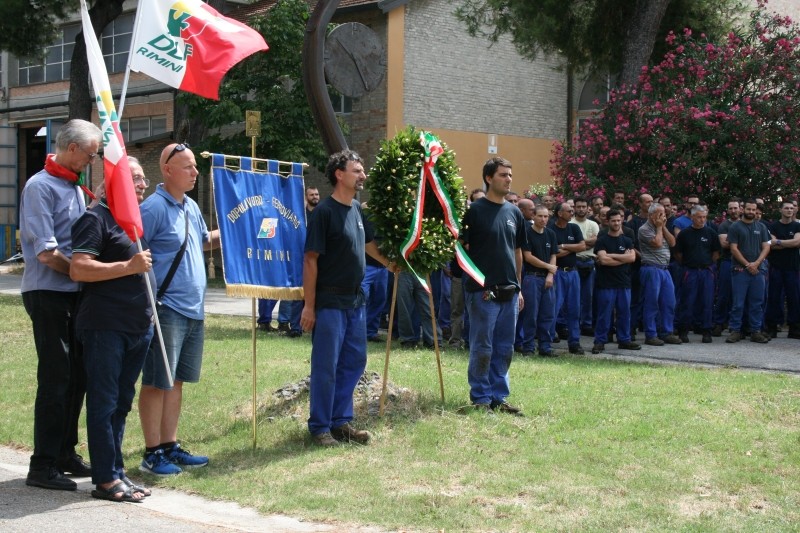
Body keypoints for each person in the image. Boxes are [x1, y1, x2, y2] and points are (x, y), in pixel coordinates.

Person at [19, 119, 99, 490]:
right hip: (48, 293)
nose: (92, 160)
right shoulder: (40, 186)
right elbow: (48, 254)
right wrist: (81, 272)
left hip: (73, 295)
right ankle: (42, 465)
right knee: (56, 378)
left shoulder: (75, 188)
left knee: (78, 376)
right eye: (90, 154)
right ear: (71, 149)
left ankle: (65, 452)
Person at [70, 157, 155, 501]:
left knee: (121, 402)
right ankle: (104, 479)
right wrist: (128, 265)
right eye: (134, 178)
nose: (143, 184)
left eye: (143, 178)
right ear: (111, 182)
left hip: (137, 326)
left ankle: (117, 471)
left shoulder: (130, 221)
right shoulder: (95, 218)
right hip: (106, 326)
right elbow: (79, 268)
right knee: (104, 403)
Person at [300, 150, 394, 447]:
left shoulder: (356, 208)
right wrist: (309, 306)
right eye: (357, 170)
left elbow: (368, 247)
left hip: (356, 302)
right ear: (339, 174)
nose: (362, 175)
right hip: (329, 302)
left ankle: (341, 422)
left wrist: (393, 264)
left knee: (355, 360)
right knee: (326, 365)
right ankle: (319, 427)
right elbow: (310, 260)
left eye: (362, 170)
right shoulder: (324, 213)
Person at [138, 143, 220, 475]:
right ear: (168, 170)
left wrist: (231, 231)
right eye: (188, 167)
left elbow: (200, 241)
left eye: (195, 167)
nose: (194, 172)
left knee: (177, 381)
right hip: (167, 307)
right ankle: (151, 452)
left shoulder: (190, 206)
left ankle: (170, 446)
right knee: (158, 381)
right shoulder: (153, 208)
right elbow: (136, 254)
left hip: (193, 309)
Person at [460, 157, 526, 414]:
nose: (508, 179)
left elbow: (518, 251)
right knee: (483, 346)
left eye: (510, 174)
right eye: (503, 175)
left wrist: (519, 287)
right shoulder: (475, 211)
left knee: (504, 347)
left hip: (509, 292)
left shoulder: (514, 212)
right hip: (482, 292)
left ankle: (499, 397)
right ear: (489, 178)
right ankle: (481, 398)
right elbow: (461, 249)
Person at [592, 209, 641, 354]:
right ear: (608, 222)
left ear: (622, 220)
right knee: (604, 314)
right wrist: (621, 258)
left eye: (619, 220)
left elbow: (632, 258)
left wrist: (611, 256)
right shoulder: (601, 241)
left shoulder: (627, 240)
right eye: (613, 220)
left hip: (624, 283)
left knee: (624, 313)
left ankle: (624, 340)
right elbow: (603, 260)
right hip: (606, 283)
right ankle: (600, 341)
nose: (616, 223)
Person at [674, 204, 721, 343]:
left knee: (707, 301)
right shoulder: (684, 234)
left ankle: (706, 330)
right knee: (687, 301)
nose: (702, 220)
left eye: (704, 217)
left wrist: (706, 265)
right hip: (690, 271)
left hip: (706, 271)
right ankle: (684, 330)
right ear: (693, 217)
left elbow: (716, 253)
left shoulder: (711, 233)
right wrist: (689, 264)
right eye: (699, 217)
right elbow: (677, 254)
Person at [726, 199, 770, 344]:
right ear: (743, 209)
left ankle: (755, 331)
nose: (751, 212)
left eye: (753, 210)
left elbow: (766, 247)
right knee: (738, 303)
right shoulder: (735, 227)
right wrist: (747, 265)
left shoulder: (762, 227)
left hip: (758, 270)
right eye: (749, 209)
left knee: (757, 302)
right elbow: (733, 248)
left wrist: (756, 264)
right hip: (740, 270)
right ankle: (735, 331)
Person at [638, 203, 682, 346]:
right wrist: (658, 227)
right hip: (651, 268)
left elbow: (672, 242)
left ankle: (666, 332)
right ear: (651, 215)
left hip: (664, 269)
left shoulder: (662, 228)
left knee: (669, 302)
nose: (663, 216)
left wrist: (662, 226)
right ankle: (651, 334)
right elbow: (657, 243)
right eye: (660, 214)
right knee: (652, 303)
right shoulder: (644, 229)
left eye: (664, 213)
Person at [519, 205, 557, 356]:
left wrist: (550, 274)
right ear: (533, 216)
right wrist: (549, 267)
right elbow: (528, 257)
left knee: (547, 314)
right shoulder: (527, 233)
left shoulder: (551, 234)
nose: (543, 219)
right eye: (540, 216)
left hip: (547, 279)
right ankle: (528, 347)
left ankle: (545, 347)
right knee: (531, 314)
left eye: (546, 216)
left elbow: (554, 254)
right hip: (531, 277)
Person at [551, 201, 586, 354]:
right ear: (560, 213)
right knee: (554, 308)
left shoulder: (574, 227)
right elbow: (553, 253)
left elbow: (582, 246)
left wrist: (563, 246)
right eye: (569, 211)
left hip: (573, 272)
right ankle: (547, 341)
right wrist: (571, 249)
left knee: (574, 309)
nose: (572, 213)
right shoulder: (551, 229)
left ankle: (574, 342)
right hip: (557, 272)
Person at [765, 201, 800, 338]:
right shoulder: (773, 226)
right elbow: (770, 245)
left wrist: (779, 242)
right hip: (776, 268)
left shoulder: (797, 226)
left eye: (792, 208)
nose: (789, 210)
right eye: (786, 208)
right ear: (780, 210)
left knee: (794, 298)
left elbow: (797, 242)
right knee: (774, 297)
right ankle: (772, 327)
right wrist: (789, 243)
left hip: (793, 267)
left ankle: (794, 328)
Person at [712, 199, 741, 336]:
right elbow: (724, 244)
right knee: (723, 295)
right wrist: (745, 243)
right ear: (728, 210)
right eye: (731, 208)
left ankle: (738, 325)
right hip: (727, 262)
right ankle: (719, 322)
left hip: (744, 263)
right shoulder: (724, 225)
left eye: (736, 208)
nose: (733, 211)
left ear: (740, 209)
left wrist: (734, 243)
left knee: (740, 296)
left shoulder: (747, 224)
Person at [571, 196, 599, 336]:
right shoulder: (570, 223)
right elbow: (573, 246)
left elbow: (596, 242)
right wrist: (584, 243)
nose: (581, 209)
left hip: (589, 261)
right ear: (574, 208)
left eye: (584, 207)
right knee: (574, 296)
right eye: (578, 206)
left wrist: (579, 243)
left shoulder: (593, 224)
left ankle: (586, 324)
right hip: (574, 262)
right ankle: (573, 324)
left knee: (588, 296)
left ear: (588, 208)